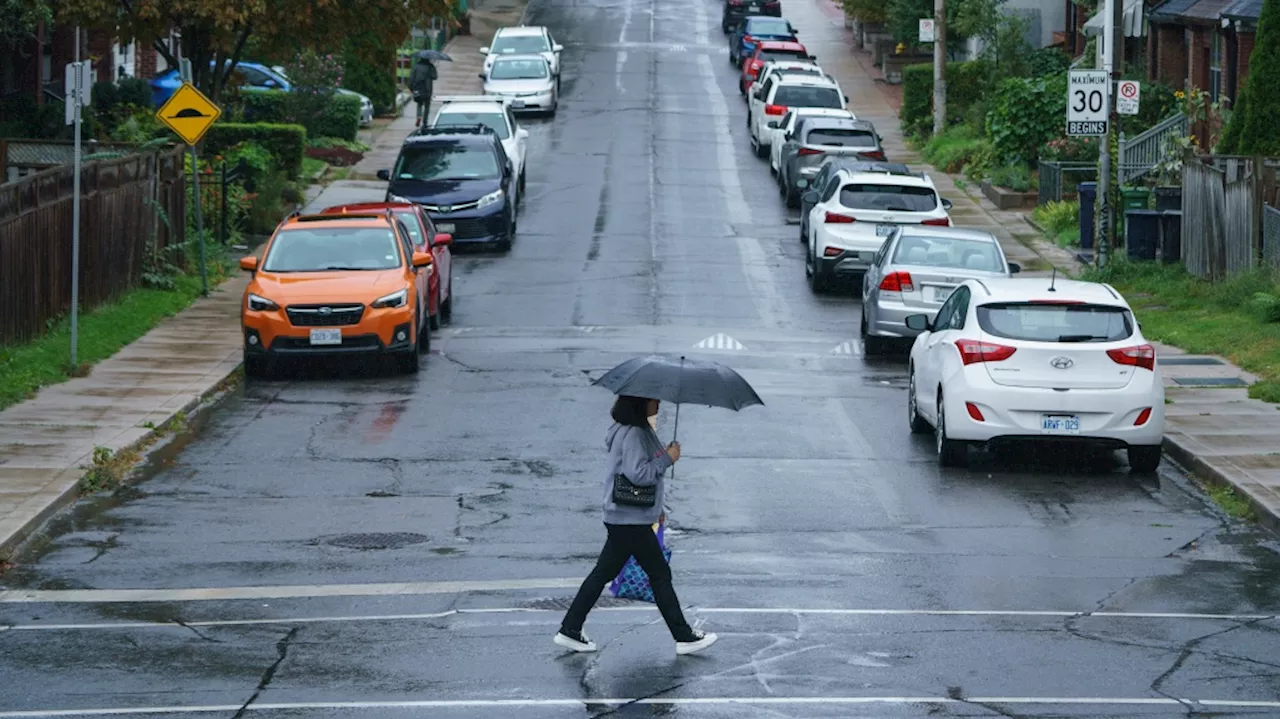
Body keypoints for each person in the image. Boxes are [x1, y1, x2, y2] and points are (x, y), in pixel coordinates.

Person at [554, 395, 718, 656]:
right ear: (639, 402)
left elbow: (638, 470)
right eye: (653, 399)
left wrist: (658, 509)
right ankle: (683, 636)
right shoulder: (634, 433)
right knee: (659, 575)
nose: (659, 403)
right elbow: (637, 474)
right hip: (630, 519)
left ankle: (570, 628)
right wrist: (667, 458)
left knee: (604, 574)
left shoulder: (629, 429)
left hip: (626, 517)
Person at [409, 55, 438, 126]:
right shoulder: (431, 66)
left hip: (418, 88)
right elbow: (435, 77)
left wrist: (411, 87)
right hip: (428, 89)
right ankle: (425, 121)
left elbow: (412, 77)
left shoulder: (416, 66)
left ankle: (419, 116)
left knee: (419, 103)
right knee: (427, 106)